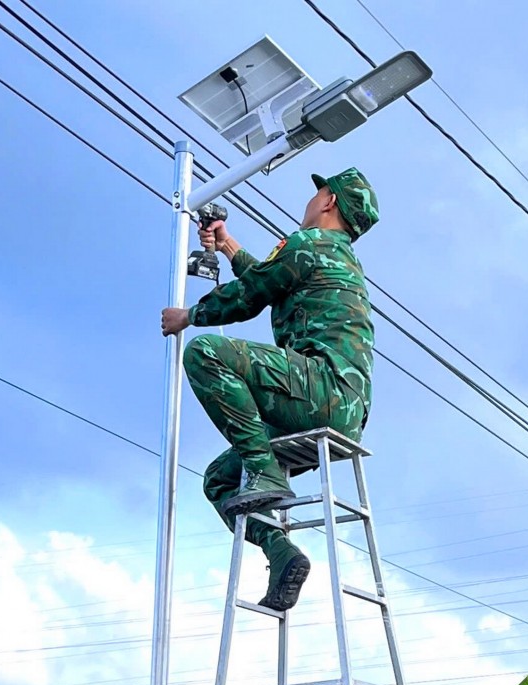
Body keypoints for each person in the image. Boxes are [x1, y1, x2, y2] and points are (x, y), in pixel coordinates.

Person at [160, 169, 378, 613]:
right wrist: (227, 245)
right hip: (339, 410)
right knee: (220, 478)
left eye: (317, 190)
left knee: (207, 354)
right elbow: (269, 279)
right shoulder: (336, 256)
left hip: (318, 388)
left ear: (329, 201)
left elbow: (251, 295)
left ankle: (265, 469)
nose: (311, 198)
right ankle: (281, 554)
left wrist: (189, 317)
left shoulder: (308, 243)